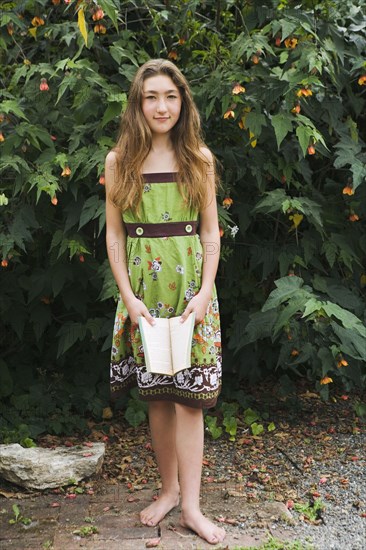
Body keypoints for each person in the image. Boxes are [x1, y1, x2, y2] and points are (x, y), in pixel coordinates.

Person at [104, 58, 225, 545]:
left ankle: (192, 508)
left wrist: (203, 295)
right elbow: (114, 237)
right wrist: (128, 298)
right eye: (151, 96)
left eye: (170, 96)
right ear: (138, 103)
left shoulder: (199, 158)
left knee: (190, 402)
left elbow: (211, 234)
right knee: (157, 398)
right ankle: (168, 490)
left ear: (183, 102)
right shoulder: (120, 162)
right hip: (145, 298)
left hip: (193, 296)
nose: (161, 106)